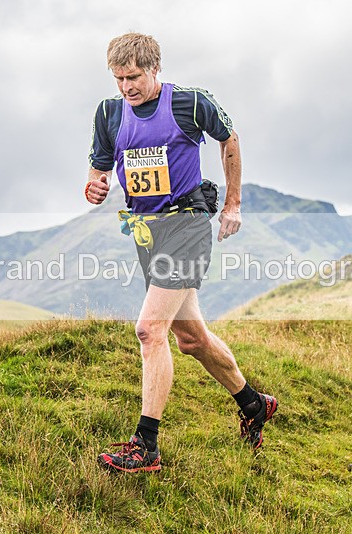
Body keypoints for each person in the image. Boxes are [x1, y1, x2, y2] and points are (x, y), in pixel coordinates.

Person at [85, 32, 277, 472]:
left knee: (150, 330)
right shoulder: (110, 113)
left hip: (188, 223)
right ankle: (253, 404)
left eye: (133, 77)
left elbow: (230, 140)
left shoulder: (190, 103)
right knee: (190, 339)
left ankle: (145, 446)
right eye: (118, 79)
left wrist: (232, 204)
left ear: (155, 69)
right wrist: (94, 186)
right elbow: (98, 169)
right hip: (146, 231)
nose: (126, 88)